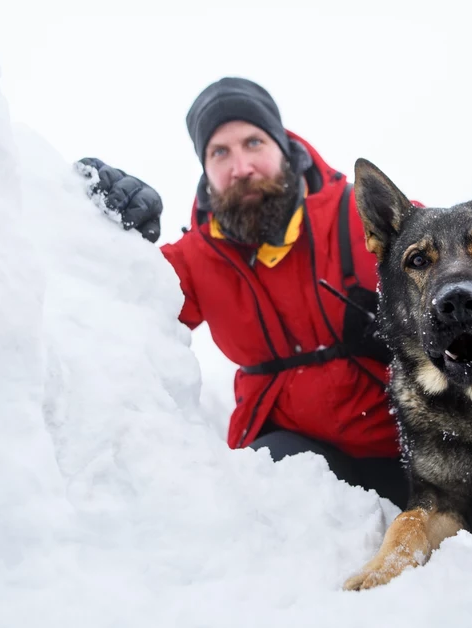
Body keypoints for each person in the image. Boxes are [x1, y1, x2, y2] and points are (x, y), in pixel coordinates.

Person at [78, 77, 409, 509]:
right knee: (266, 499)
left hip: (410, 448)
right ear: (206, 170)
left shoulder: (360, 215)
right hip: (295, 457)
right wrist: (94, 217)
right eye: (220, 152)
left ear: (283, 147)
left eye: (253, 143)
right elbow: (114, 296)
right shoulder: (197, 258)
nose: (241, 167)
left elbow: (453, 259)